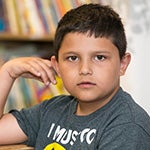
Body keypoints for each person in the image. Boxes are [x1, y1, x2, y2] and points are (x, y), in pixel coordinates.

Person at [0, 3, 150, 150]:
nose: (84, 70)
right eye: (72, 58)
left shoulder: (128, 125)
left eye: (99, 57)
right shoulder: (52, 110)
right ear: (57, 66)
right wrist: (7, 72)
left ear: (122, 64)